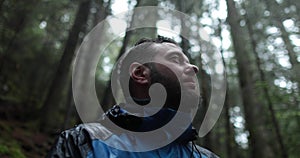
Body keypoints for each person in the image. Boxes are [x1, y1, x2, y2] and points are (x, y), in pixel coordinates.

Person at [47, 36, 219, 158]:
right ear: (140, 74)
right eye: (175, 59)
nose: (193, 68)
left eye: (188, 61)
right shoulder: (83, 142)